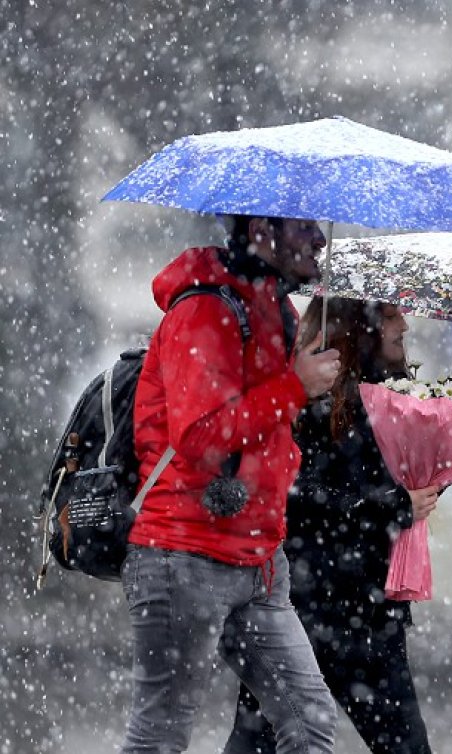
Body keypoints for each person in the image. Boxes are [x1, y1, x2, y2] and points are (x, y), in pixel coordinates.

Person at [122, 215, 341, 753]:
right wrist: (294, 386)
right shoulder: (205, 309)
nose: (319, 238)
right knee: (160, 735)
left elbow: (270, 430)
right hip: (184, 554)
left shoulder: (276, 310)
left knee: (309, 722)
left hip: (261, 560)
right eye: (302, 226)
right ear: (261, 229)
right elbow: (200, 434)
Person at [224, 297, 440, 754]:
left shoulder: (398, 398)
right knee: (259, 742)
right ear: (357, 327)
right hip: (304, 608)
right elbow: (298, 496)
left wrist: (432, 475)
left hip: (370, 613)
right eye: (389, 315)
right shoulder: (307, 400)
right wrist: (391, 506)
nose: (403, 323)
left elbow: (393, 494)